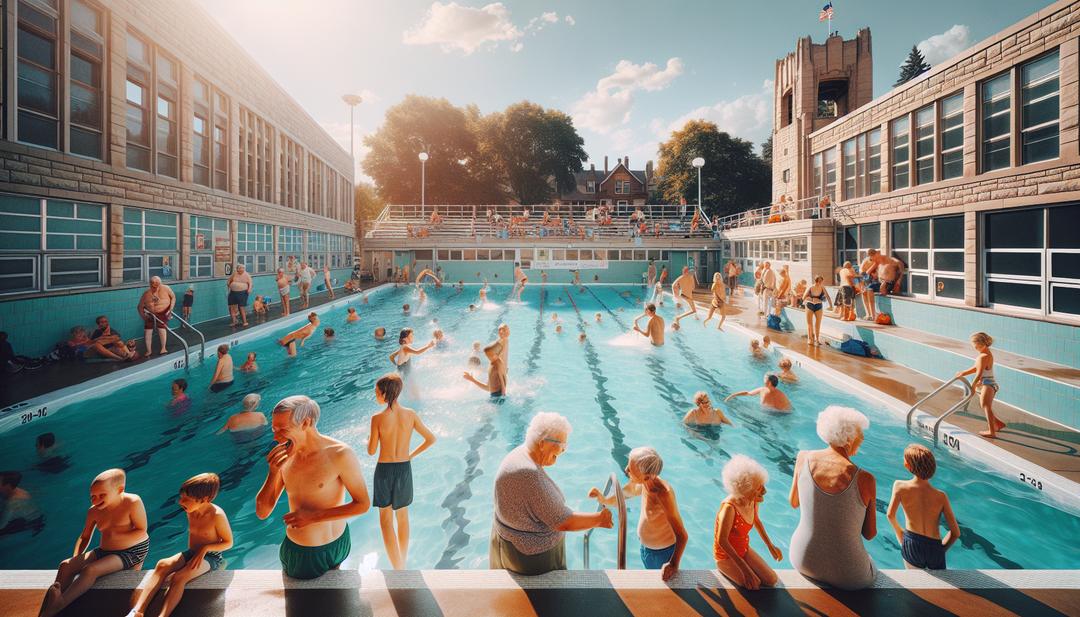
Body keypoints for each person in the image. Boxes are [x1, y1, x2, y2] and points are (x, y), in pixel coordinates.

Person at [255, 396, 370, 579]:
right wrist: (273, 472)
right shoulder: (284, 458)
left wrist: (314, 517)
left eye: (283, 429)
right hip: (304, 553)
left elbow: (362, 504)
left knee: (336, 600)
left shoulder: (340, 454)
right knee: (305, 605)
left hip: (340, 543)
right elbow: (262, 512)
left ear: (306, 422)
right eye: (274, 429)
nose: (276, 437)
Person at [490, 412, 613, 574]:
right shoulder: (528, 473)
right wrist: (599, 519)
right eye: (562, 446)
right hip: (529, 558)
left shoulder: (519, 455)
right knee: (545, 598)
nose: (563, 451)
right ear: (543, 443)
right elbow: (562, 521)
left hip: (511, 545)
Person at [789, 406, 878, 590]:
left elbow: (794, 502)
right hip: (850, 576)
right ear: (848, 438)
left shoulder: (802, 457)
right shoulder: (865, 478)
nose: (862, 439)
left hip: (802, 559)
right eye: (860, 434)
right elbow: (869, 534)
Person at [39, 469, 149, 617]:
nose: (96, 500)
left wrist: (116, 536)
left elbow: (142, 530)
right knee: (65, 566)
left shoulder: (132, 502)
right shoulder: (94, 512)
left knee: (90, 570)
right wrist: (76, 557)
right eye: (93, 497)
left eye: (102, 495)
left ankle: (58, 605)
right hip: (105, 550)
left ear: (120, 490)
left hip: (132, 550)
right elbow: (85, 537)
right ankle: (50, 606)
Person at [125, 473, 233, 617]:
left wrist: (205, 549)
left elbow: (228, 543)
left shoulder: (217, 515)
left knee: (179, 577)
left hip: (211, 558)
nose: (180, 502)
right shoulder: (191, 511)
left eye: (186, 499)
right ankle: (137, 611)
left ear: (204, 500)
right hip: (192, 553)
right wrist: (192, 554)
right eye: (181, 497)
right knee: (162, 565)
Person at [367, 374, 437, 569]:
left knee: (386, 521)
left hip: (384, 471)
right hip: (404, 468)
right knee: (403, 517)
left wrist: (369, 439)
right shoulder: (411, 414)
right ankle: (403, 562)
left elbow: (371, 451)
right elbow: (431, 439)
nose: (375, 395)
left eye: (376, 392)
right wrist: (411, 455)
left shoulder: (377, 419)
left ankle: (396, 566)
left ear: (383, 393)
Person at [589, 447, 687, 580]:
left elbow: (682, 535)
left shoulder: (663, 494)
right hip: (646, 549)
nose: (626, 470)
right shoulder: (644, 483)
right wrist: (604, 500)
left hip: (663, 554)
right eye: (629, 465)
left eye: (631, 469)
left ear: (647, 476)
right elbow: (625, 494)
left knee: (661, 593)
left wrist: (673, 564)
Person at [713, 455, 783, 590]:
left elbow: (757, 521)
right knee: (754, 584)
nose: (765, 491)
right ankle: (728, 568)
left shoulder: (752, 501)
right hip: (725, 557)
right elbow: (722, 541)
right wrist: (745, 569)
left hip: (743, 550)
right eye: (759, 487)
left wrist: (770, 546)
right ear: (746, 489)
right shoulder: (729, 508)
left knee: (771, 580)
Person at [886, 444, 960, 570]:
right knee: (939, 587)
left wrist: (901, 537)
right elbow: (955, 533)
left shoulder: (900, 486)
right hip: (935, 548)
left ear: (907, 466)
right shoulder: (941, 496)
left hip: (912, 544)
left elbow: (890, 515)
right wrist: (941, 550)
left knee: (916, 584)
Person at [954, 332, 1006, 438]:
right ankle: (998, 424)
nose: (973, 346)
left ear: (979, 343)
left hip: (988, 384)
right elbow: (976, 368)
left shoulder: (984, 356)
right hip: (985, 382)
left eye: (974, 344)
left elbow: (979, 373)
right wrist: (963, 373)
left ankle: (992, 431)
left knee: (986, 405)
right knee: (984, 405)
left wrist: (972, 387)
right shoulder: (985, 354)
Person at [137, 276, 176, 356]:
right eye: (152, 284)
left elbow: (173, 297)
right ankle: (149, 350)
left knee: (161, 328)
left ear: (160, 283)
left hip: (163, 312)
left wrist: (171, 310)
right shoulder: (146, 294)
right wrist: (143, 316)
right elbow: (139, 306)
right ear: (150, 284)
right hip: (150, 314)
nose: (154, 286)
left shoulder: (166, 288)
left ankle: (163, 348)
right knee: (148, 331)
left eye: (157, 284)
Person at [0, 470, 43, 535]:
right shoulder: (15, 489)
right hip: (32, 517)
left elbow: (2, 525)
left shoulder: (11, 504)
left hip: (29, 522)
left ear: (7, 486)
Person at [725, 374, 792, 412]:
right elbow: (789, 407)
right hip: (783, 414)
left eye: (765, 380)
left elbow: (747, 393)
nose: (764, 381)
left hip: (768, 413)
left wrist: (732, 395)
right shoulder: (782, 394)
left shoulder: (762, 389)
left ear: (769, 383)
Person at [802, 276, 833, 346]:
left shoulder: (822, 287)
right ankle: (810, 339)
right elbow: (803, 297)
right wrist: (811, 299)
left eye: (821, 281)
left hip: (818, 306)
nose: (819, 283)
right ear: (815, 281)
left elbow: (827, 296)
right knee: (810, 324)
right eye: (818, 281)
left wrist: (831, 306)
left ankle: (817, 339)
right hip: (810, 305)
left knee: (818, 323)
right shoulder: (810, 287)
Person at [858, 254, 879, 321]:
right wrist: (862, 284)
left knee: (868, 292)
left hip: (875, 280)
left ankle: (872, 314)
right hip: (867, 278)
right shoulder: (866, 261)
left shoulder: (877, 261)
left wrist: (875, 274)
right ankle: (868, 314)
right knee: (864, 293)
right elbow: (861, 271)